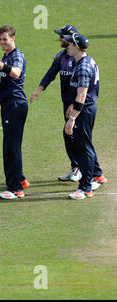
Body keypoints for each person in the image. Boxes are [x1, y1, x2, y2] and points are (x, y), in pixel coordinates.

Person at [0, 25, 30, 199]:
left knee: (11, 147)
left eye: (5, 39)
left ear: (13, 38)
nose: (2, 42)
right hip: (10, 105)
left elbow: (16, 73)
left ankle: (16, 188)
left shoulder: (16, 56)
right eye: (0, 39)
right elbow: (7, 82)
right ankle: (21, 180)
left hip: (16, 106)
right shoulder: (7, 55)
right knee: (11, 145)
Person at [30, 25, 82, 182]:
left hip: (78, 105)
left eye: (62, 36)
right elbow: (51, 73)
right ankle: (77, 168)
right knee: (70, 135)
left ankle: (87, 171)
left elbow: (82, 88)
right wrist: (39, 89)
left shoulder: (79, 60)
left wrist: (74, 105)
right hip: (66, 104)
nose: (59, 38)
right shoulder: (61, 56)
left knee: (77, 136)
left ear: (69, 39)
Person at [63, 33, 107, 199]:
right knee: (84, 146)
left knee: (84, 148)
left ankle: (85, 188)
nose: (67, 46)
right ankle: (87, 184)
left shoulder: (82, 67)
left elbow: (82, 96)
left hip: (84, 111)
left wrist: (72, 117)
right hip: (85, 108)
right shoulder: (86, 61)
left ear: (76, 46)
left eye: (69, 44)